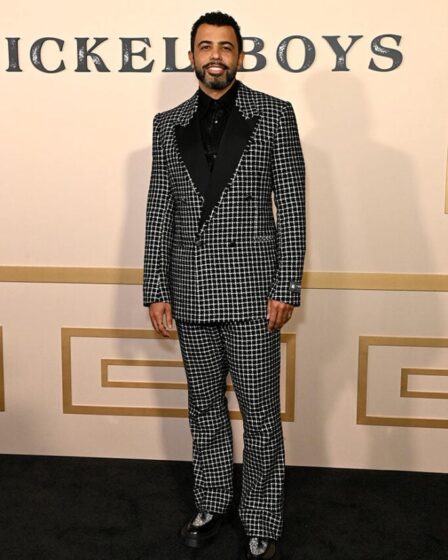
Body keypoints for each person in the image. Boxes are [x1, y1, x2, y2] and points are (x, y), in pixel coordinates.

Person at [143, 11, 305, 560]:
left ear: (241, 55)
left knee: (259, 412)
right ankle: (212, 497)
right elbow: (158, 209)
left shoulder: (275, 115)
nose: (216, 54)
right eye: (205, 46)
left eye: (226, 46)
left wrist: (286, 285)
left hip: (255, 293)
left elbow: (294, 209)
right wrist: (154, 287)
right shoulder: (168, 123)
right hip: (189, 289)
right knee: (204, 406)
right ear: (190, 56)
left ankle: (261, 516)